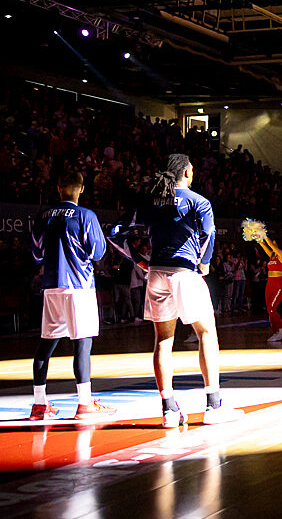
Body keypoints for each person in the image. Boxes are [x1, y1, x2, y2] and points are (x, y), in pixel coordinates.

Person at [126, 154, 241, 427]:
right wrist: (204, 263)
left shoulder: (149, 200)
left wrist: (140, 261)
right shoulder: (198, 201)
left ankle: (169, 410)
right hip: (184, 272)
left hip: (155, 274)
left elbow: (117, 233)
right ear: (187, 172)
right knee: (206, 333)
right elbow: (209, 235)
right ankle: (213, 406)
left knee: (163, 340)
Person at [28, 171, 114, 420]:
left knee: (45, 344)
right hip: (79, 285)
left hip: (51, 285)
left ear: (58, 188)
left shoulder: (42, 216)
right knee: (82, 344)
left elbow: (36, 255)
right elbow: (98, 252)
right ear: (81, 189)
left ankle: (40, 405)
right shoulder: (86, 215)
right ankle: (85, 404)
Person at [256, 234, 282, 342]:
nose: (272, 244)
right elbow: (263, 244)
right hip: (269, 284)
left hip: (279, 285)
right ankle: (275, 332)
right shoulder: (271, 255)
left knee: (272, 308)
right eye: (272, 242)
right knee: (269, 310)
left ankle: (281, 328)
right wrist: (255, 234)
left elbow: (268, 243)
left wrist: (264, 234)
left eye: (274, 243)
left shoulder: (281, 254)